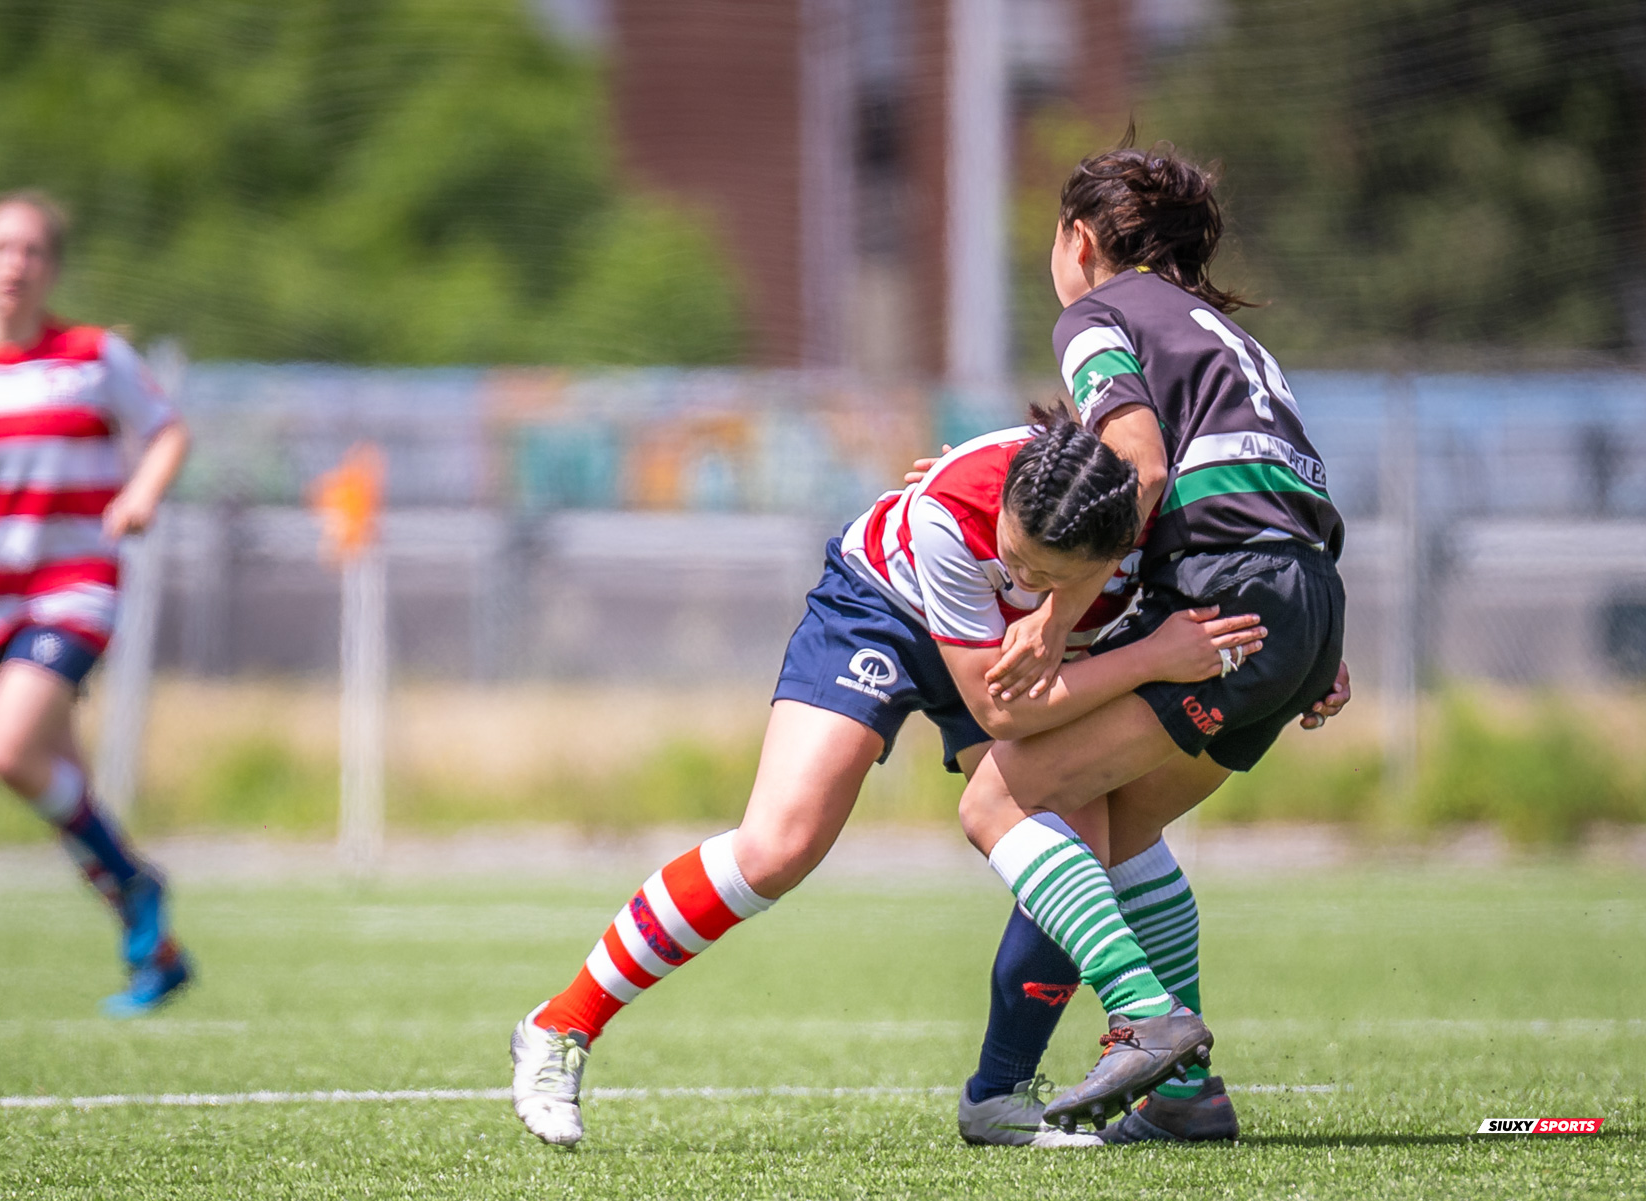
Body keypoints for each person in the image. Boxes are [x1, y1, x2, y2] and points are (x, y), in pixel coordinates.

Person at [509, 411, 1271, 1148]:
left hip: (1012, 662)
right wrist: (1151, 658)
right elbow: (999, 709)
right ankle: (560, 1024)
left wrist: (1308, 655)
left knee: (1080, 845)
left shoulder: (1133, 520)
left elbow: (1248, 572)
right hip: (883, 614)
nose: (1021, 573)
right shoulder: (950, 516)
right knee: (779, 846)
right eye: (1016, 550)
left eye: (1047, 574)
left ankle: (998, 1097)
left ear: (1111, 551)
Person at [947, 140, 1349, 1135]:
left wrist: (1054, 611)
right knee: (1115, 833)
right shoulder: (1217, 331)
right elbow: (1279, 486)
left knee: (1000, 795)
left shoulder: (1097, 313)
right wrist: (1312, 643)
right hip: (1302, 594)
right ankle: (1184, 1098)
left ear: (1078, 239)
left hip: (1225, 590)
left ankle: (1143, 1018)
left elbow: (1138, 465)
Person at [0, 190, 195, 1017]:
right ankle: (155, 950)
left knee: (6, 751)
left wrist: (140, 495)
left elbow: (166, 429)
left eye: (32, 251)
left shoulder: (89, 354)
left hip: (75, 585)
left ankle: (137, 882)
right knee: (66, 787)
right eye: (0, 248)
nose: (15, 264)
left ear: (51, 269)